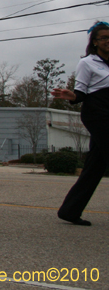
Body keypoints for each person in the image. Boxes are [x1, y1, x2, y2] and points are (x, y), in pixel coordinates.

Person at [52, 21, 109, 226]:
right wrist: (72, 96)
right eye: (104, 38)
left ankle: (70, 211)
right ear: (94, 42)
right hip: (97, 114)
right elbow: (81, 93)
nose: (108, 41)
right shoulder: (87, 63)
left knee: (95, 166)